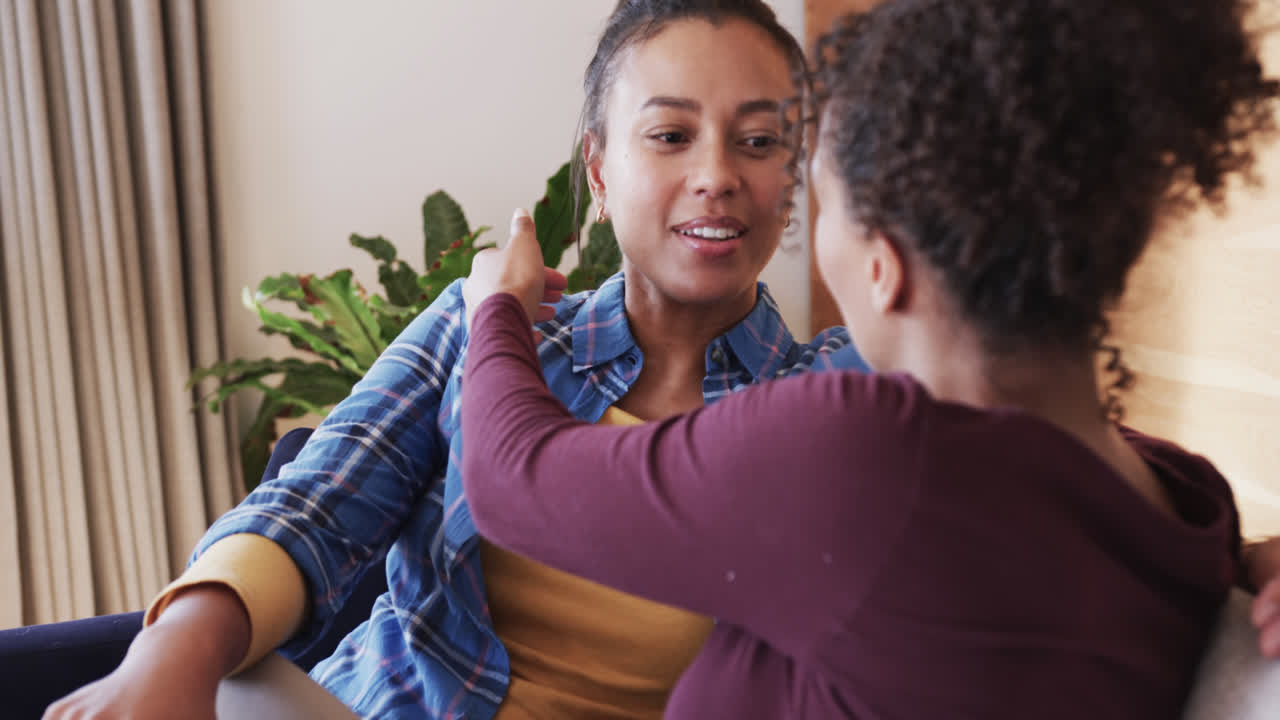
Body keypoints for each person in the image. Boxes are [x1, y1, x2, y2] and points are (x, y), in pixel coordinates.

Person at [457, 0, 1280, 717]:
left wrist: (496, 306)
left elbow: (508, 476)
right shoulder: (1189, 510)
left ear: (884, 267)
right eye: (671, 135)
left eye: (808, 186)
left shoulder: (858, 454)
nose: (718, 177)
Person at [44, 2, 866, 719]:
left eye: (759, 141)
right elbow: (314, 508)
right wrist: (170, 658)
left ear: (794, 179)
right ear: (600, 172)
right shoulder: (485, 327)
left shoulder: (838, 398)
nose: (717, 175)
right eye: (670, 136)